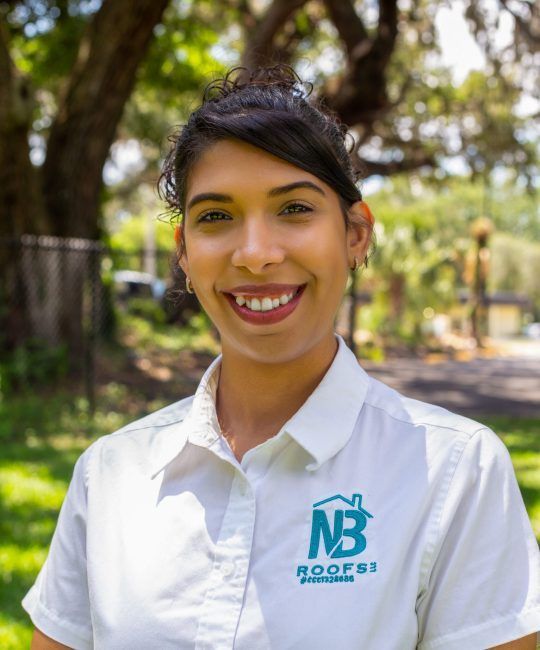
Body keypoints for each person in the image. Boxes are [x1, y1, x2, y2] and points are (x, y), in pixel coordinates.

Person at [23, 65, 539, 650]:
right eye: (216, 216)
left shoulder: (456, 471)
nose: (256, 254)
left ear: (355, 235)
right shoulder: (108, 474)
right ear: (185, 253)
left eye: (294, 208)